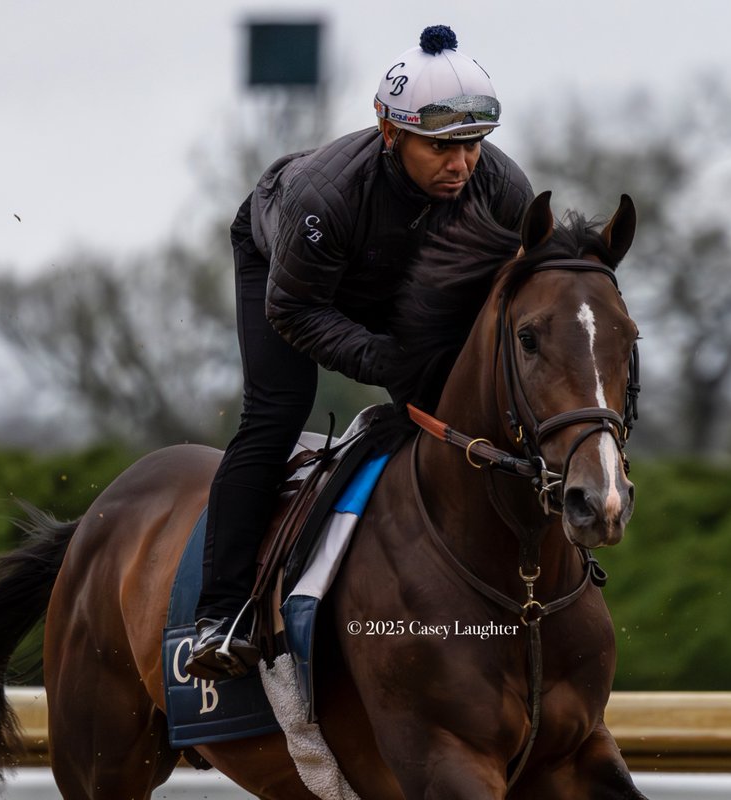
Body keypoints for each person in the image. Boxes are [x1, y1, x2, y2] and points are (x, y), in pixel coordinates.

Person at [185, 25, 534, 680]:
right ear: (389, 130)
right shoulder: (327, 195)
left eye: (473, 144)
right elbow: (292, 310)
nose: (461, 166)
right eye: (440, 147)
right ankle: (221, 612)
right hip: (290, 278)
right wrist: (386, 361)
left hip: (396, 282)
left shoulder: (502, 189)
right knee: (276, 415)